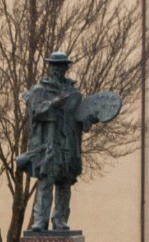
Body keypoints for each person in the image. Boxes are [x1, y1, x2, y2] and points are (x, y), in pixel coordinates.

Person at [18, 52, 94, 232]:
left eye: (60, 66)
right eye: (54, 65)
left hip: (68, 145)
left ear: (66, 68)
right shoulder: (39, 91)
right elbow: (35, 113)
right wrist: (53, 104)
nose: (57, 69)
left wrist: (88, 121)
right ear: (49, 67)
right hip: (48, 145)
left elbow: (80, 120)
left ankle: (60, 220)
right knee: (45, 183)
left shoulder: (74, 94)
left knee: (64, 184)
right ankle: (40, 221)